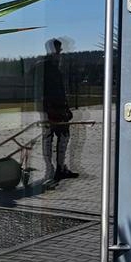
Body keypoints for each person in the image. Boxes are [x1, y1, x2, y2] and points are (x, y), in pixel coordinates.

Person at [39, 38, 78, 187]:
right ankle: (50, 170)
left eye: (59, 51)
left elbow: (60, 92)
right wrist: (48, 109)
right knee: (48, 139)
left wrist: (66, 109)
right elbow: (42, 91)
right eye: (57, 51)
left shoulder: (56, 68)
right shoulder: (45, 68)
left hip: (60, 110)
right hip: (50, 110)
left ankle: (60, 168)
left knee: (64, 137)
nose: (59, 54)